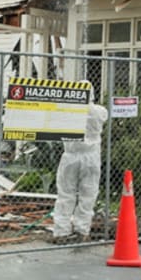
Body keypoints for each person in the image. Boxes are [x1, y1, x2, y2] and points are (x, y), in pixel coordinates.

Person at [51, 101, 108, 244]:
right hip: (91, 157)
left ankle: (61, 231)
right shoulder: (100, 112)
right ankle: (82, 230)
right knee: (88, 195)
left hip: (71, 155)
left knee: (65, 194)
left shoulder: (67, 111)